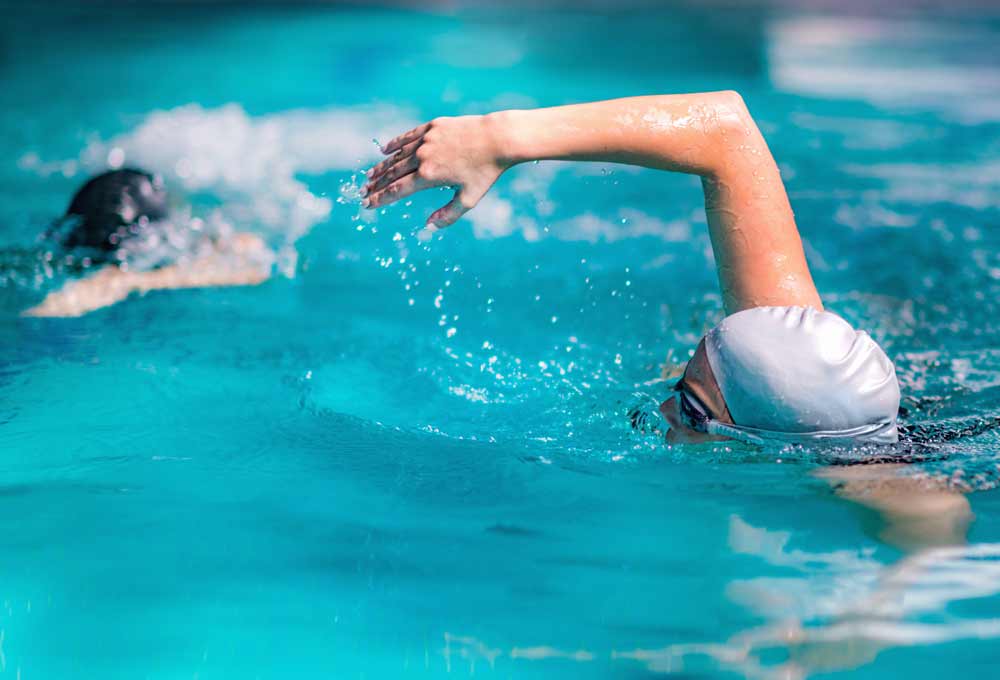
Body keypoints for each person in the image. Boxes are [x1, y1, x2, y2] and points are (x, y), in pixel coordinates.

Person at [361, 91, 900, 447]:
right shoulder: (785, 343)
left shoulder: (904, 517)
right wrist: (500, 138)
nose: (661, 410)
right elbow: (727, 132)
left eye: (690, 406)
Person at [22, 168, 272, 317]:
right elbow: (254, 266)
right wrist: (132, 280)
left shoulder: (40, 263)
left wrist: (128, 280)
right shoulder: (193, 243)